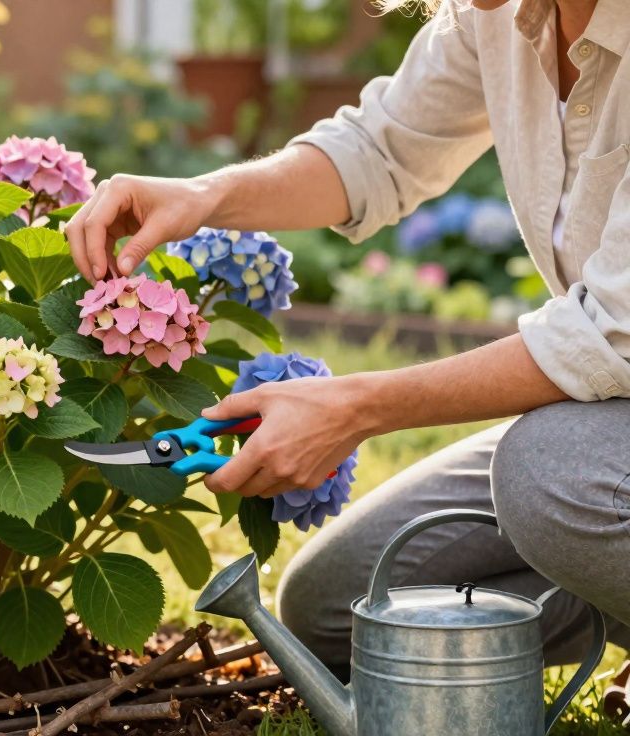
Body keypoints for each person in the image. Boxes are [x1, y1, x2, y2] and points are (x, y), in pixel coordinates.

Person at [65, 0, 630, 674]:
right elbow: (378, 149)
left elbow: (612, 332)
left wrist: (353, 407)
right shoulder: (502, 15)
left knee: (548, 475)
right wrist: (205, 195)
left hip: (592, 434)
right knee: (343, 603)